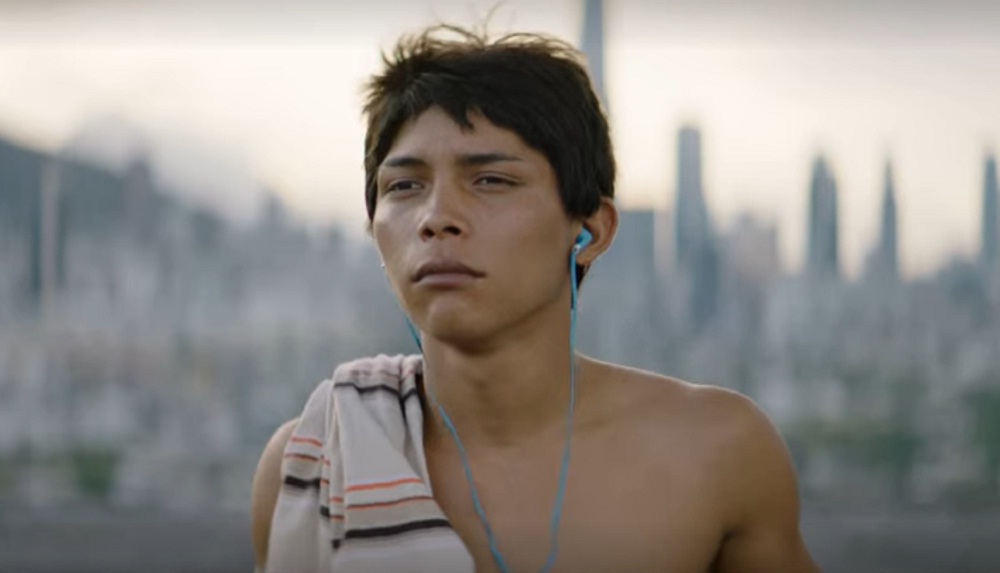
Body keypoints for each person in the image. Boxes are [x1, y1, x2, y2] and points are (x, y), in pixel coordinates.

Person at [252, 23, 819, 573]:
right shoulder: (311, 463)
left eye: (491, 180)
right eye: (404, 186)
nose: (436, 217)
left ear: (590, 231)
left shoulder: (717, 452)